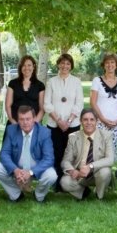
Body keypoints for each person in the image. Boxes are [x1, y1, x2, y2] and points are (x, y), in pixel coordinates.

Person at [0, 105, 57, 203]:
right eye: (21, 119)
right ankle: (16, 194)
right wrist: (15, 170)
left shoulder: (44, 132)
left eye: (28, 119)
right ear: (18, 120)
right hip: (17, 167)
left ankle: (38, 195)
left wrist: (31, 172)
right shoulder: (11, 130)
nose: (25, 122)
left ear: (34, 119)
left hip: (36, 167)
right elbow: (4, 154)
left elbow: (49, 158)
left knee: (52, 175)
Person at [44, 53, 84, 186]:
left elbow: (79, 104)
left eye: (67, 63)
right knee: (56, 152)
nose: (64, 66)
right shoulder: (51, 82)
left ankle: (71, 181)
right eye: (62, 63)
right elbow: (47, 104)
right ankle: (57, 182)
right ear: (58, 64)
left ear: (71, 66)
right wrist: (59, 121)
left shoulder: (76, 81)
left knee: (71, 153)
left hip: (72, 125)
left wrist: (69, 121)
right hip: (54, 125)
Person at [60, 108, 115, 201]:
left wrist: (90, 166)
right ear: (80, 121)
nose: (88, 122)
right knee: (64, 182)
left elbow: (110, 159)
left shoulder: (106, 135)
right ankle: (84, 192)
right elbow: (66, 160)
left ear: (97, 121)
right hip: (79, 175)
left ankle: (99, 195)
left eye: (92, 119)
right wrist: (72, 171)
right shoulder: (73, 137)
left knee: (105, 172)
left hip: (98, 172)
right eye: (85, 119)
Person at [90, 52, 117, 153]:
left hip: (115, 123)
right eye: (107, 63)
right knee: (97, 151)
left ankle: (108, 169)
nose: (110, 65)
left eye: (112, 62)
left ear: (116, 65)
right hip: (99, 122)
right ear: (103, 65)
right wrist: (103, 119)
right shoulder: (97, 80)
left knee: (111, 152)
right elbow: (93, 102)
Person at [4, 55, 45, 137]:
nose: (26, 68)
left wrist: (34, 124)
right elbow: (8, 105)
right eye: (24, 65)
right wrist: (13, 122)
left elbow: (42, 109)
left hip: (33, 126)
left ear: (33, 67)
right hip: (14, 124)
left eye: (29, 65)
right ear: (20, 67)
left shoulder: (40, 85)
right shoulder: (12, 83)